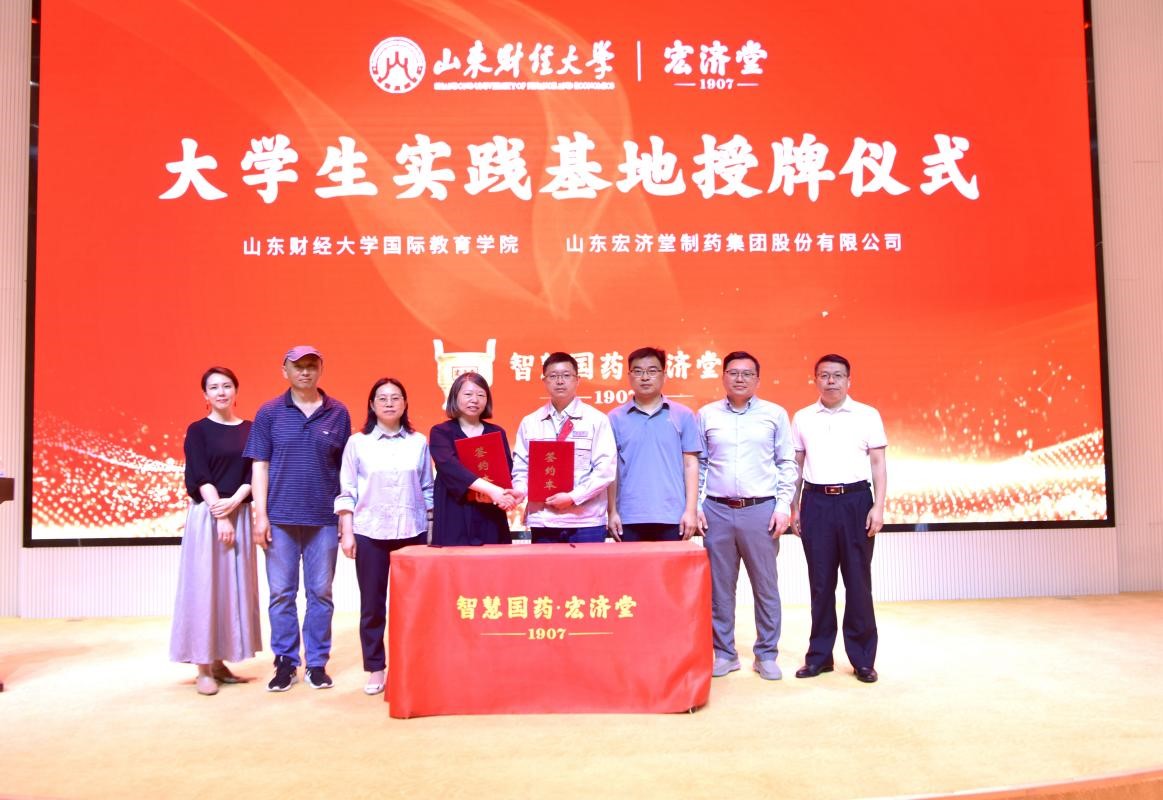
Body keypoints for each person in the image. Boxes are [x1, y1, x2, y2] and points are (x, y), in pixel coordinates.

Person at [243, 345, 351, 692]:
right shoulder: (269, 412)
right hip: (280, 519)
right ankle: (286, 662)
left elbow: (346, 470)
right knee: (281, 594)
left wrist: (345, 517)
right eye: (297, 366)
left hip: (323, 519)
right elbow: (260, 466)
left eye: (311, 366)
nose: (304, 372)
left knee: (321, 593)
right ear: (285, 371)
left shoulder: (338, 413)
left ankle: (317, 663)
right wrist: (261, 516)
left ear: (321, 369)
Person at [697, 351, 798, 681]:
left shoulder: (775, 414)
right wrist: (697, 505)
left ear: (757, 379)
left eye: (747, 373)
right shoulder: (707, 415)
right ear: (723, 377)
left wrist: (783, 506)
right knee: (719, 589)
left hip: (760, 510)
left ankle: (766, 654)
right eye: (733, 372)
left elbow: (786, 463)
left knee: (765, 587)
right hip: (717, 509)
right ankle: (725, 654)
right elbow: (700, 464)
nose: (739, 378)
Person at [791, 354, 887, 684]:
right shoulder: (803, 417)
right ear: (815, 379)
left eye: (837, 375)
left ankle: (863, 659)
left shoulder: (867, 415)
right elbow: (796, 466)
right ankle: (819, 657)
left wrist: (879, 506)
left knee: (858, 583)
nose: (831, 381)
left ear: (849, 380)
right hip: (816, 502)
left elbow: (878, 464)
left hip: (856, 502)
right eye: (824, 375)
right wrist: (794, 507)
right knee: (820, 584)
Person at [336, 378, 433, 696]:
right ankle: (376, 667)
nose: (389, 403)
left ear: (405, 403)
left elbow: (427, 489)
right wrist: (347, 532)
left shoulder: (418, 442)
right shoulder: (358, 443)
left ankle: (411, 665)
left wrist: (431, 532)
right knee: (372, 606)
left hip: (412, 531)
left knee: (413, 605)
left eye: (396, 397)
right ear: (372, 404)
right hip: (370, 532)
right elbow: (347, 490)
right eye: (382, 398)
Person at [170, 366, 262, 696]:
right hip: (208, 517)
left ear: (236, 391)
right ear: (205, 395)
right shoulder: (198, 430)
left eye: (226, 386)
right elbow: (199, 474)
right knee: (205, 589)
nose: (221, 392)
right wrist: (220, 514)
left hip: (239, 513)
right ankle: (203, 667)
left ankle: (221, 662)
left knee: (232, 590)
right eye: (214, 387)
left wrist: (236, 501)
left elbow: (254, 473)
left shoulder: (251, 429)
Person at [511, 352, 616, 543]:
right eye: (553, 376)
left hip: (586, 521)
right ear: (544, 381)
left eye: (566, 375)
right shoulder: (530, 422)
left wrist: (573, 497)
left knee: (589, 565)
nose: (560, 381)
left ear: (577, 380)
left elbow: (605, 471)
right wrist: (520, 490)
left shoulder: (596, 420)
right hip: (544, 519)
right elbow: (521, 467)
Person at [606, 347, 701, 541]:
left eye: (652, 371)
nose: (645, 377)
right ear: (629, 376)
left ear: (664, 375)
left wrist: (691, 511)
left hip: (673, 516)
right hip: (628, 516)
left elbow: (690, 465)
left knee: (673, 563)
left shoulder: (683, 415)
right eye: (638, 371)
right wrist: (612, 511)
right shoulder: (614, 418)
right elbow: (611, 469)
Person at [429, 372, 516, 546]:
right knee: (454, 560)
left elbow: (506, 469)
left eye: (481, 395)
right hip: (454, 511)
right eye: (468, 394)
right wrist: (492, 490)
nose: (474, 400)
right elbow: (450, 468)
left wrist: (501, 494)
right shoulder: (441, 432)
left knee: (493, 560)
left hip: (489, 511)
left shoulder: (496, 432)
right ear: (455, 397)